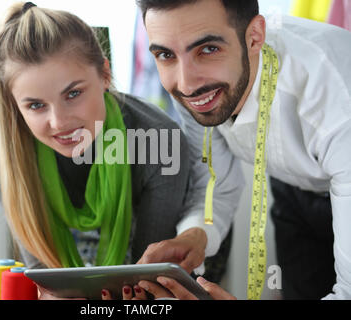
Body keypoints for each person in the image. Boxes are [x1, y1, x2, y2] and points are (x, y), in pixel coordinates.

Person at [0, 2, 244, 299]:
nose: (59, 122)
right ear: (14, 105)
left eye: (73, 93)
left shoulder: (158, 140)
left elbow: (146, 278)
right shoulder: (4, 152)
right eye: (35, 105)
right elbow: (46, 280)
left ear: (105, 74)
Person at [130, 0, 351, 300]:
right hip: (295, 191)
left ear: (254, 37)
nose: (185, 83)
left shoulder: (336, 96)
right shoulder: (196, 89)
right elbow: (216, 184)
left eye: (208, 49)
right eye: (166, 54)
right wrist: (196, 235)